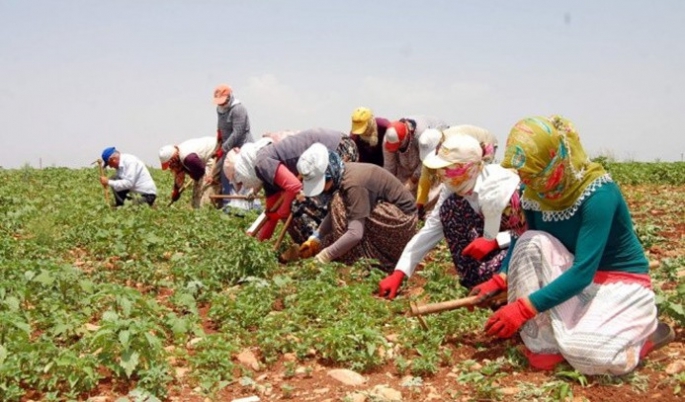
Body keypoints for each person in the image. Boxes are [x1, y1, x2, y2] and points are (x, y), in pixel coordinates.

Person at [469, 115, 673, 375]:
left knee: (590, 356)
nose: (526, 180)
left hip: (615, 281)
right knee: (530, 242)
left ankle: (645, 333)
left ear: (555, 160)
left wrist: (523, 308)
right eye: (523, 173)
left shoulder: (598, 194)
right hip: (574, 277)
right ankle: (544, 344)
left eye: (533, 172)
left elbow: (583, 272)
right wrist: (499, 279)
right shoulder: (533, 193)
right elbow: (524, 240)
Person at [378, 133, 524, 299]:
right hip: (491, 242)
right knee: (449, 209)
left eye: (449, 169)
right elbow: (432, 228)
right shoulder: (453, 187)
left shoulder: (506, 189)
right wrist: (400, 272)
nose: (443, 175)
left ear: (470, 168)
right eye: (441, 170)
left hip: (519, 248)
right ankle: (475, 282)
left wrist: (496, 241)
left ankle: (506, 286)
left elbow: (533, 234)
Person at [297, 143, 418, 270]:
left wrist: (326, 256)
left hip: (402, 224)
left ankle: (375, 260)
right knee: (333, 225)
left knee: (339, 204)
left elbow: (355, 234)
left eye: (322, 184)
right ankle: (357, 253)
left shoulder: (353, 185)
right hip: (394, 219)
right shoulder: (344, 172)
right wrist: (315, 238)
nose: (322, 189)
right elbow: (333, 214)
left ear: (330, 174)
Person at [226, 128, 358, 243]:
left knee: (299, 206)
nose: (243, 185)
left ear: (243, 171)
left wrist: (282, 212)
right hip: (336, 146)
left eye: (241, 181)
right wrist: (257, 245)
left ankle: (326, 245)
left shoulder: (262, 162)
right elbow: (270, 215)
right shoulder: (266, 175)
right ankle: (322, 244)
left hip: (338, 149)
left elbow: (294, 186)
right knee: (292, 207)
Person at [415, 125, 499, 219]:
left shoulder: (453, 144)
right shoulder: (442, 146)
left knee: (467, 182)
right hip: (466, 152)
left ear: (439, 146)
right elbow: (425, 177)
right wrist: (420, 204)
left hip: (486, 145)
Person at [382, 115, 448, 197]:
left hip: (426, 161)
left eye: (398, 145)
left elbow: (426, 161)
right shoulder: (388, 139)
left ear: (405, 138)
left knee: (426, 195)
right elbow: (389, 166)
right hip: (404, 167)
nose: (397, 148)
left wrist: (412, 181)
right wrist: (388, 187)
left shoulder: (422, 135)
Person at [213, 83, 253, 210]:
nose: (221, 104)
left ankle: (246, 208)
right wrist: (219, 137)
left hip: (241, 147)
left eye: (223, 101)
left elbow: (238, 132)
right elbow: (220, 128)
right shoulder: (219, 110)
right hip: (227, 148)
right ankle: (228, 206)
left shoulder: (238, 109)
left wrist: (223, 148)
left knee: (242, 177)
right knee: (227, 177)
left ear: (229, 97)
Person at [158, 136, 219, 208]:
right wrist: (176, 190)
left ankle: (207, 208)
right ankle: (197, 208)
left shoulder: (188, 158)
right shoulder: (179, 156)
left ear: (173, 160)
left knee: (205, 187)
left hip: (215, 154)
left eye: (170, 165)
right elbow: (179, 174)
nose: (171, 168)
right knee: (197, 194)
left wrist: (191, 174)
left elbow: (200, 172)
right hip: (203, 162)